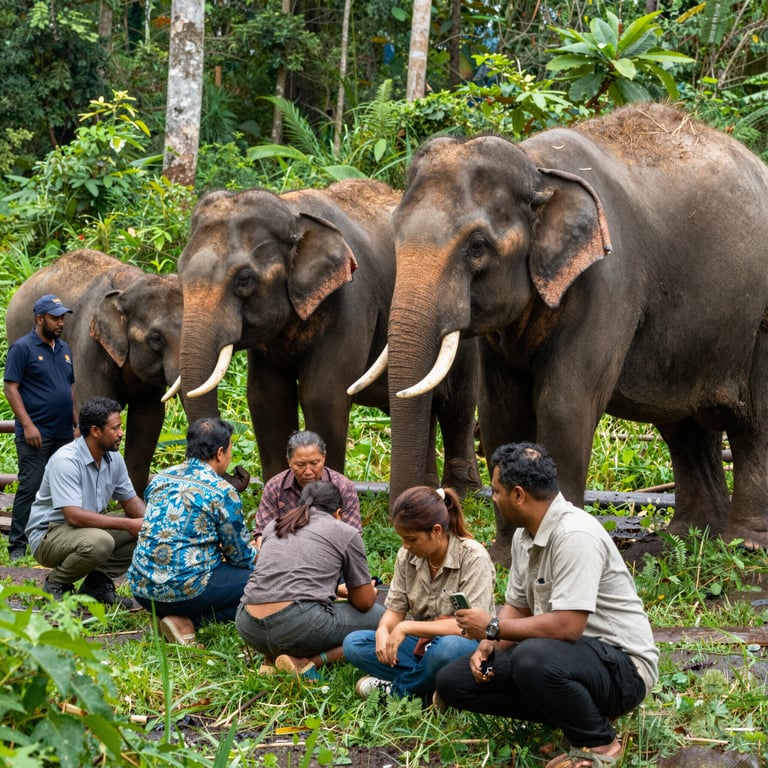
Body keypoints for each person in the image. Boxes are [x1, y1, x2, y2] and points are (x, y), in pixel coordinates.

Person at [435, 443, 659, 768]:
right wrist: (487, 645)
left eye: (497, 492)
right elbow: (518, 606)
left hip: (623, 670)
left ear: (519, 495)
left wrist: (492, 626)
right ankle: (573, 718)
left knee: (531, 656)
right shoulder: (524, 535)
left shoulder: (574, 535)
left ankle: (601, 745)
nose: (493, 499)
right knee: (454, 681)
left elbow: (568, 627)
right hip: (568, 662)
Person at [343, 486, 496, 702]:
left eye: (412, 539)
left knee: (447, 648)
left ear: (436, 531)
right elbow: (395, 609)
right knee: (354, 644)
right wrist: (383, 631)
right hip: (421, 647)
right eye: (402, 539)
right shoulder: (406, 556)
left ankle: (397, 692)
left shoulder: (472, 557)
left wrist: (407, 626)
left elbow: (469, 629)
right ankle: (431, 688)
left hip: (465, 645)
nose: (406, 545)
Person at [127, 417, 257, 646]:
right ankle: (188, 621)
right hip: (189, 589)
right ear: (219, 453)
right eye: (229, 450)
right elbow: (240, 556)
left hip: (142, 590)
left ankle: (168, 616)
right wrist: (261, 554)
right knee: (264, 584)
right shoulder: (222, 491)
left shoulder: (161, 478)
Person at [236, 480, 384, 679]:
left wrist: (336, 590)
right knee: (383, 620)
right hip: (298, 623)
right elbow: (364, 603)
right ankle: (308, 662)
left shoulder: (274, 525)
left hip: (248, 624)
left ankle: (271, 658)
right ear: (339, 513)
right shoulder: (345, 531)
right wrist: (370, 592)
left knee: (294, 619)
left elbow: (282, 577)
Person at [25, 397, 145, 606]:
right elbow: (74, 516)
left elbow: (131, 501)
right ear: (95, 431)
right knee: (101, 542)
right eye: (115, 428)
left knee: (144, 530)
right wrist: (129, 524)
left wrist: (153, 524)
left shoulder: (113, 457)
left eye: (121, 427)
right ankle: (56, 585)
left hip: (86, 529)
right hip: (49, 534)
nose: (121, 433)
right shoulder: (66, 460)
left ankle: (96, 587)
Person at [3, 294, 78, 561]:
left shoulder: (65, 349)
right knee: (30, 486)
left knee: (64, 486)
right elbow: (10, 387)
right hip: (36, 433)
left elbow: (69, 389)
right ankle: (17, 545)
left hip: (63, 434)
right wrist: (27, 425)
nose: (61, 323)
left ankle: (56, 538)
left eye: (62, 318)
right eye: (55, 318)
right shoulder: (22, 348)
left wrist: (77, 424)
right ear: (39, 319)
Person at [253, 430, 361, 546]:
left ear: (324, 457)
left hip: (330, 552)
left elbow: (352, 536)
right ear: (289, 461)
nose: (308, 471)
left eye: (314, 463)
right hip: (284, 552)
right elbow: (262, 533)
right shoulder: (275, 487)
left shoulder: (344, 487)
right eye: (300, 465)